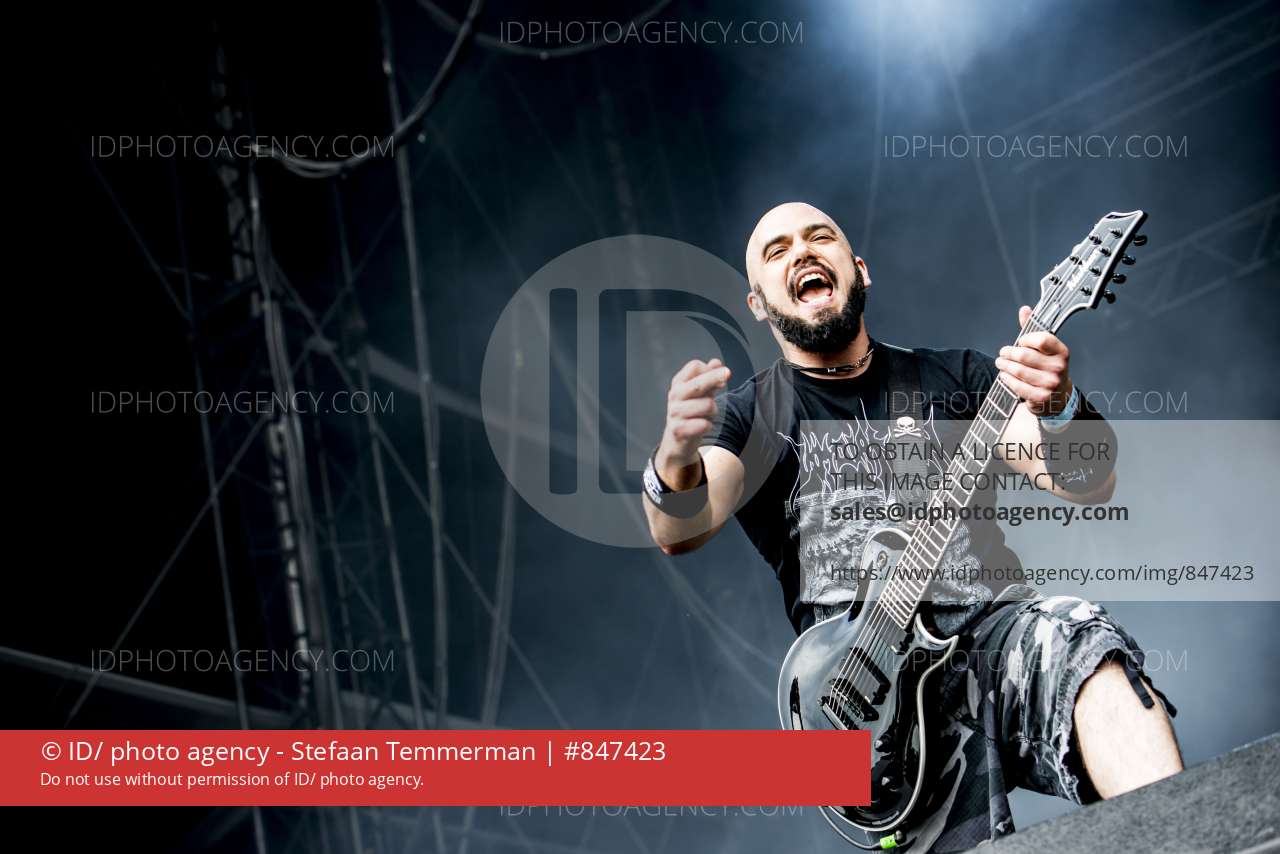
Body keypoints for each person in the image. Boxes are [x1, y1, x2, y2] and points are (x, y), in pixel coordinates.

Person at [641, 202, 1183, 852]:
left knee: (1083, 645)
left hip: (996, 640)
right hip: (877, 709)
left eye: (819, 237)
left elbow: (1087, 481)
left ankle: (1184, 837)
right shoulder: (751, 415)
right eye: (777, 250)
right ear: (758, 303)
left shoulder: (957, 379)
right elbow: (679, 529)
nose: (803, 251)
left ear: (859, 270)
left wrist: (1062, 405)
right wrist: (674, 456)